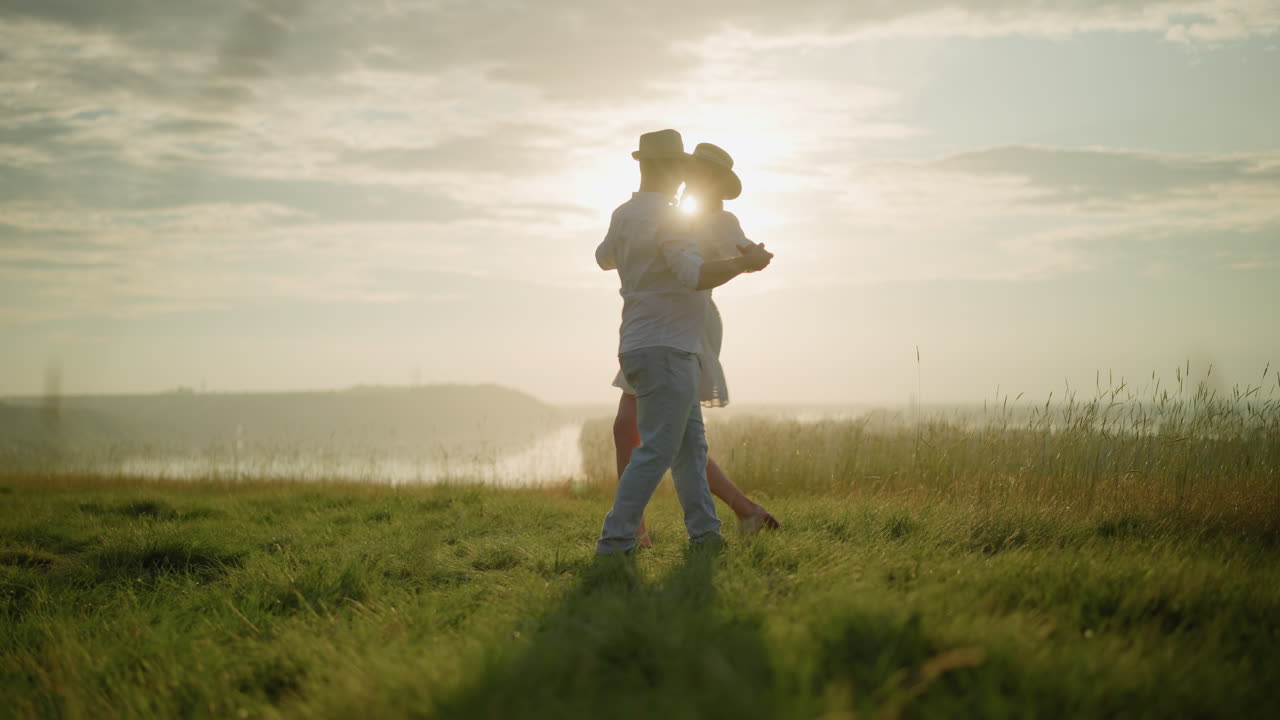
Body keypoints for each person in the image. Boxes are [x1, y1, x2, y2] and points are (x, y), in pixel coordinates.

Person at [594, 129, 774, 555]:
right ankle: (617, 540)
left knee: (690, 445)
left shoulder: (628, 214)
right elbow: (692, 275)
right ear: (675, 169)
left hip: (656, 338)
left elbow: (604, 257)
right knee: (657, 448)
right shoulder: (669, 217)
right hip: (668, 342)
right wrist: (745, 264)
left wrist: (638, 252)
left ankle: (706, 534)